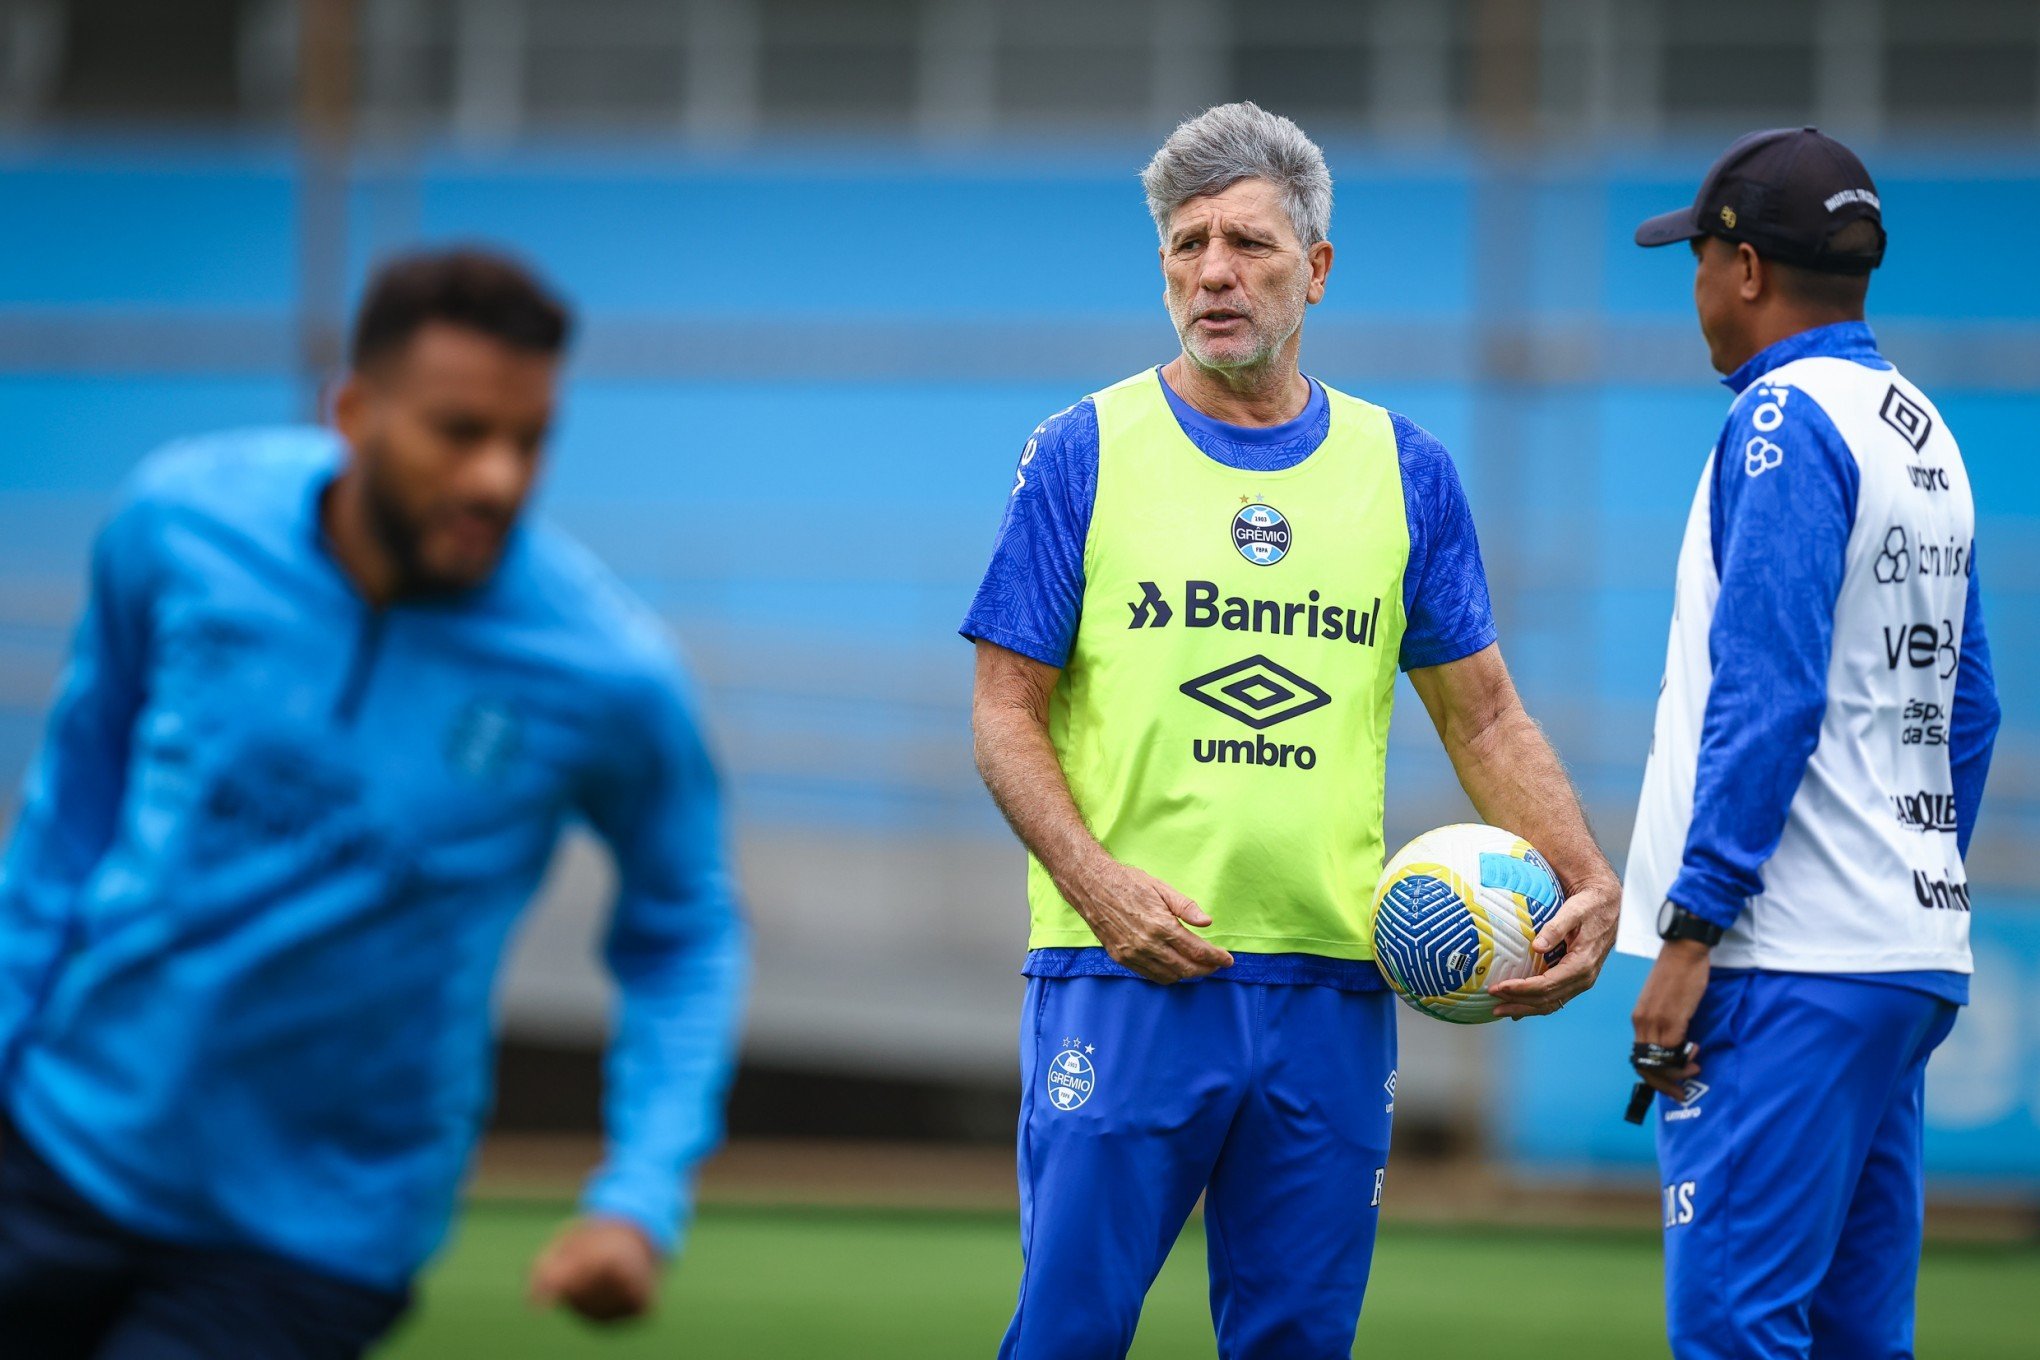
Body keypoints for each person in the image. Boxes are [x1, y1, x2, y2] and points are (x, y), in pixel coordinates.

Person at [961, 102, 1621, 1360]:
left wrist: (1588, 878)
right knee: (1067, 1333)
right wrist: (1101, 890)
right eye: (1187, 245)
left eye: (1250, 244)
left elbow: (1482, 711)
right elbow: (1003, 713)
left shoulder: (1403, 466)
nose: (1215, 271)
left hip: (1332, 985)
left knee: (1300, 1344)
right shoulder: (1081, 450)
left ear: (1315, 268)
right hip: (1128, 974)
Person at [0, 248, 748, 1358]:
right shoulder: (179, 523)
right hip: (59, 1139)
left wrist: (638, 1197)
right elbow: (76, 799)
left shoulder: (610, 676)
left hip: (311, 1240)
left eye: (530, 439)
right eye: (460, 432)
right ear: (352, 409)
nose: (498, 478)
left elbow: (685, 931)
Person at [1621, 128, 2001, 1359]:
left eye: (1698, 257)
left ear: (1742, 267)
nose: (1694, 289)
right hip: (1905, 949)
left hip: (1783, 962)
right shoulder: (1922, 430)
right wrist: (1904, 862)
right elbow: (1973, 709)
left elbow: (1768, 695)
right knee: (1853, 1337)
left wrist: (1694, 929)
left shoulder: (1781, 420)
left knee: (1739, 1328)